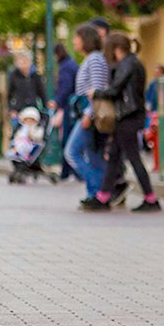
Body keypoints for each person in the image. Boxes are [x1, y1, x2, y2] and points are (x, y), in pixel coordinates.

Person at [82, 34, 160, 212]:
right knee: (114, 157)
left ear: (116, 48)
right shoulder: (132, 63)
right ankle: (103, 197)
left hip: (128, 117)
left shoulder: (128, 64)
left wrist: (97, 93)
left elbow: (116, 90)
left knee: (133, 158)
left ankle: (151, 198)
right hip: (128, 117)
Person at [64, 24, 111, 207]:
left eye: (77, 38)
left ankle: (99, 188)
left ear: (86, 40)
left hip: (89, 114)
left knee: (72, 152)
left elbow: (98, 88)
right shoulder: (90, 59)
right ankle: (98, 194)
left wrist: (88, 114)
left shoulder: (95, 59)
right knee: (94, 156)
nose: (74, 41)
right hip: (86, 113)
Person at [53, 42, 78, 179]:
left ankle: (67, 171)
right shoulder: (72, 64)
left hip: (70, 107)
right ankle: (70, 170)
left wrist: (57, 101)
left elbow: (65, 87)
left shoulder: (65, 68)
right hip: (73, 106)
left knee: (67, 140)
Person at [5, 50, 45, 125]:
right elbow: (9, 94)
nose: (22, 63)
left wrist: (44, 109)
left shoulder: (35, 76)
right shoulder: (14, 76)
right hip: (19, 109)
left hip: (33, 109)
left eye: (24, 61)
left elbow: (41, 93)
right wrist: (11, 110)